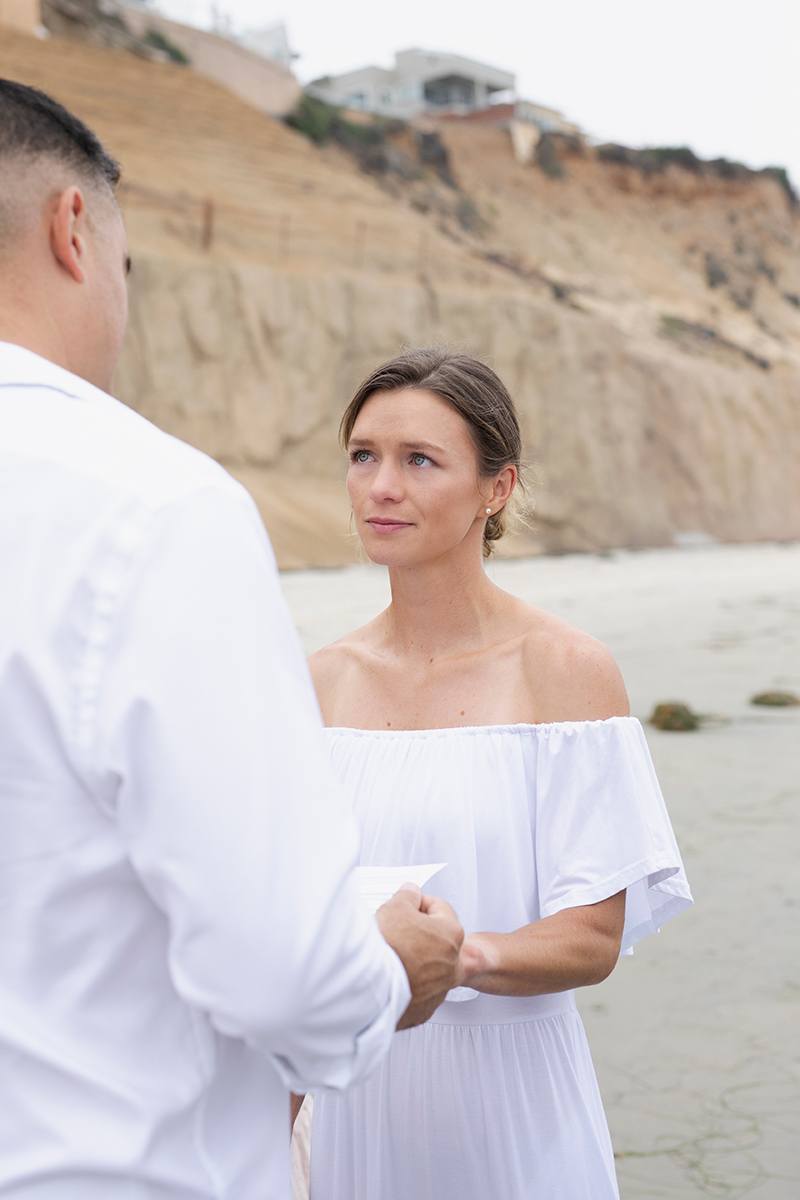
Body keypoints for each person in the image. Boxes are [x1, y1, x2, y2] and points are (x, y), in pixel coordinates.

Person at [0, 81, 464, 1199]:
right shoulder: (145, 503)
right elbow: (280, 973)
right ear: (74, 231)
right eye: (125, 270)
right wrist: (388, 971)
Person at [301, 348, 694, 1200]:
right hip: (354, 1100)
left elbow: (592, 937)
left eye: (419, 461)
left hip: (514, 1104)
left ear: (497, 488)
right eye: (363, 455)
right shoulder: (319, 682)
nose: (380, 487)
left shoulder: (566, 671)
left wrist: (453, 957)